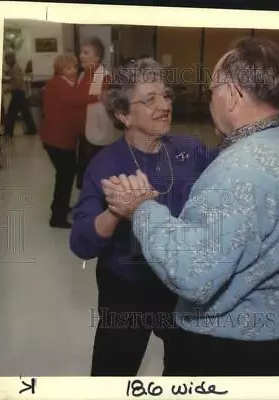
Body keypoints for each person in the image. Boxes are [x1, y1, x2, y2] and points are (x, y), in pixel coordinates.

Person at [104, 38, 279, 377]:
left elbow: (194, 275)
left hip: (227, 353)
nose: (210, 100)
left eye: (213, 90)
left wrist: (142, 207)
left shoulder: (238, 169)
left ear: (232, 95)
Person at [69, 57, 219, 376]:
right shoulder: (106, 165)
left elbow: (229, 169)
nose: (164, 105)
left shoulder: (188, 149)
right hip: (126, 287)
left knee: (185, 371)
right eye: (150, 100)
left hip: (178, 283)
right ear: (123, 114)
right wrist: (116, 210)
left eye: (166, 96)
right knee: (112, 375)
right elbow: (82, 243)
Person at [39, 53, 101, 228]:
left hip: (58, 137)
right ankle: (57, 218)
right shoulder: (57, 83)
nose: (72, 71)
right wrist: (97, 96)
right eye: (68, 68)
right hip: (57, 138)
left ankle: (59, 208)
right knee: (65, 177)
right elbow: (72, 100)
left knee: (64, 175)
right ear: (60, 69)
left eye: (74, 67)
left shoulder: (66, 83)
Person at [75, 37, 111, 190]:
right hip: (84, 133)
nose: (81, 56)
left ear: (97, 58)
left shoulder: (105, 77)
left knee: (96, 174)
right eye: (81, 52)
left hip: (98, 135)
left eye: (86, 52)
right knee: (84, 172)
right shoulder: (83, 75)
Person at [3, 52, 37, 137]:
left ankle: (9, 132)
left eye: (6, 59)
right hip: (18, 92)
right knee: (25, 112)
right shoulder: (13, 68)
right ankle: (32, 129)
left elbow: (18, 82)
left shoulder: (15, 68)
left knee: (12, 113)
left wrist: (8, 88)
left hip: (18, 93)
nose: (5, 61)